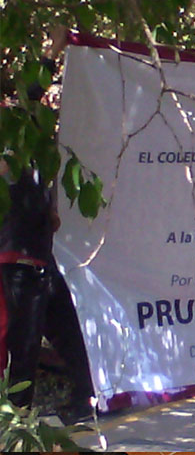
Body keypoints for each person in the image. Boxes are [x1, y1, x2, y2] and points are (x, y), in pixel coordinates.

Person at [0, 27, 94, 423]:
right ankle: (17, 420)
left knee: (67, 331)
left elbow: (41, 178)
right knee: (23, 345)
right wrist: (53, 49)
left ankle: (84, 400)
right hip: (19, 257)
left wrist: (51, 207)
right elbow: (34, 91)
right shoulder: (11, 127)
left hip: (38, 254)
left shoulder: (23, 131)